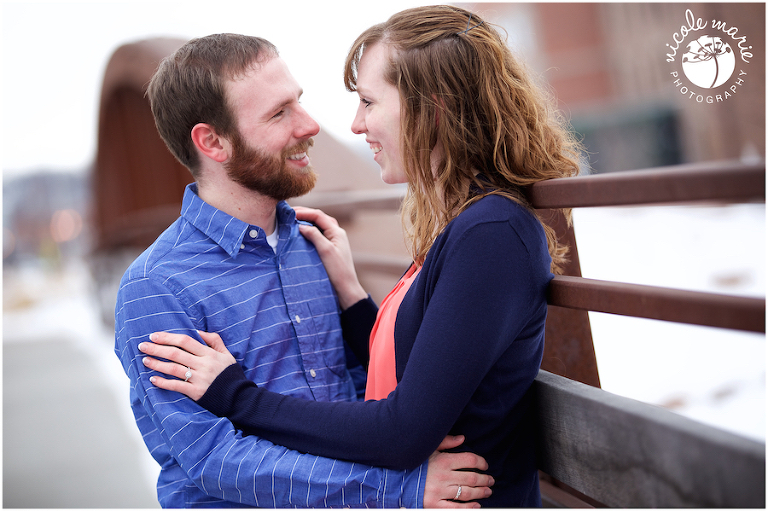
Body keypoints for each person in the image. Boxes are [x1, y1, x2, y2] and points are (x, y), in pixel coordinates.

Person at [140, 6, 582, 507]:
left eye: (369, 102)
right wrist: (351, 295)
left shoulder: (490, 233)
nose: (350, 124)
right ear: (211, 142)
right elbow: (427, 366)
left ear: (433, 109)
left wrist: (235, 395)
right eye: (279, 112)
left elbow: (402, 428)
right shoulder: (467, 223)